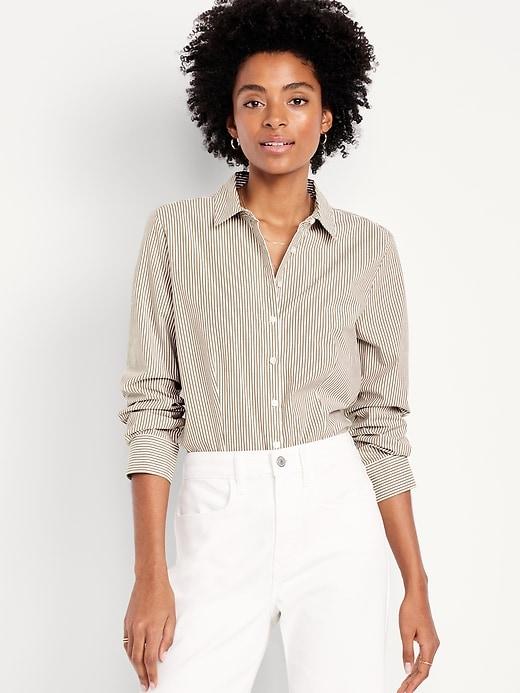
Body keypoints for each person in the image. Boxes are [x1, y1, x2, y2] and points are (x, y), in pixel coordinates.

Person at [118, 0, 440, 691]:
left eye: (296, 99)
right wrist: (150, 574)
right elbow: (151, 406)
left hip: (335, 509)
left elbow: (381, 425)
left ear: (326, 117)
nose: (274, 119)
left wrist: (415, 583)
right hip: (216, 510)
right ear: (228, 119)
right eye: (253, 101)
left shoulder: (369, 249)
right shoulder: (174, 234)